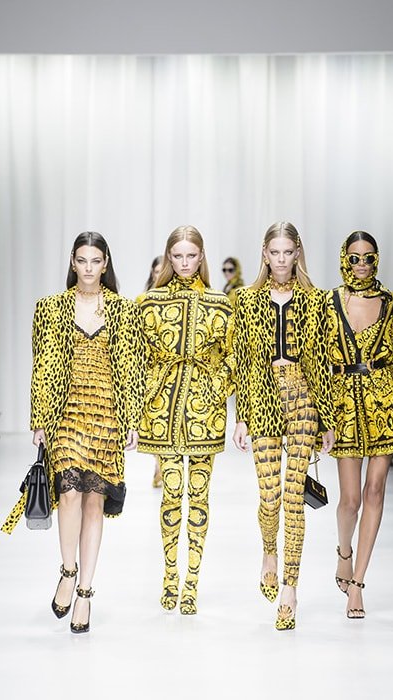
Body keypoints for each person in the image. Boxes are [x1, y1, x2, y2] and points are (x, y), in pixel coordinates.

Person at [2, 232, 143, 634]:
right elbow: (42, 365)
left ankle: (85, 591)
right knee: (68, 493)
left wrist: (132, 420)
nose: (88, 268)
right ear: (72, 261)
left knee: (95, 503)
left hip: (107, 414)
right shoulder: (50, 308)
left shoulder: (123, 310)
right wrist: (39, 419)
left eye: (95, 261)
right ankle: (67, 570)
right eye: (82, 260)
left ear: (105, 263)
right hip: (66, 411)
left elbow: (131, 367)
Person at [232, 221, 335, 631]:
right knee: (270, 495)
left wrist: (326, 419)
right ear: (264, 253)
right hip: (261, 396)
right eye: (274, 252)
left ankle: (290, 588)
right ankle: (268, 551)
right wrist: (241, 416)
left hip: (303, 396)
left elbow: (321, 362)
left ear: (297, 253)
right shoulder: (246, 299)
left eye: (287, 252)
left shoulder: (315, 300)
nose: (280, 260)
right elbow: (243, 361)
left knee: (294, 497)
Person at [136, 225, 234, 615]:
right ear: (168, 257)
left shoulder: (220, 304)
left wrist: (215, 388)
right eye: (177, 256)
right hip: (162, 410)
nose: (184, 263)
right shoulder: (149, 303)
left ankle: (192, 582)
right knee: (172, 494)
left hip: (205, 413)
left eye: (191, 256)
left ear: (202, 256)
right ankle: (169, 576)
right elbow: (137, 358)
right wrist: (145, 397)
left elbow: (234, 356)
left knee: (200, 496)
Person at [327, 231, 393, 619]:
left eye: (368, 257)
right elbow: (319, 360)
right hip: (344, 406)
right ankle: (344, 552)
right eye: (354, 257)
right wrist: (322, 415)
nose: (361, 264)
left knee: (375, 490)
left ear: (376, 259)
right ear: (344, 258)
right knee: (350, 500)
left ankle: (358, 584)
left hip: (385, 405)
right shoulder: (329, 302)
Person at [137, 255, 164, 488]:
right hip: (149, 372)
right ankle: (159, 464)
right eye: (156, 271)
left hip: (171, 372)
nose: (160, 275)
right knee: (154, 422)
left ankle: (163, 465)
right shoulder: (142, 302)